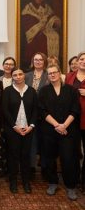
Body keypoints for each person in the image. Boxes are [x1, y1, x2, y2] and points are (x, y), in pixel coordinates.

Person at [39, 64, 80, 200]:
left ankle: (70, 186)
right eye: (49, 73)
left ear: (60, 73)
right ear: (47, 76)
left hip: (68, 130)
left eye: (54, 72)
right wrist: (57, 125)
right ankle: (52, 182)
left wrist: (64, 126)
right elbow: (42, 111)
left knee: (68, 158)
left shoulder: (71, 90)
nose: (52, 75)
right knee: (49, 158)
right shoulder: (43, 91)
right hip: (50, 130)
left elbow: (75, 110)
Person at [3, 67, 37, 194]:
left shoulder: (32, 91)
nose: (18, 76)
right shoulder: (7, 91)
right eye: (15, 75)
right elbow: (5, 110)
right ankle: (13, 182)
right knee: (13, 156)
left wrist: (31, 126)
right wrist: (14, 127)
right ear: (12, 77)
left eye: (20, 74)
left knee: (25, 156)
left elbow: (35, 110)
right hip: (13, 130)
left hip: (28, 129)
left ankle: (26, 182)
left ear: (24, 76)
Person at [21, 0, 61, 70]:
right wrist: (39, 27)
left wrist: (55, 21)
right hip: (34, 31)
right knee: (41, 38)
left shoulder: (46, 7)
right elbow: (26, 20)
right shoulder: (29, 7)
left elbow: (51, 17)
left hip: (46, 29)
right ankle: (34, 64)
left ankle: (50, 63)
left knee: (55, 35)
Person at [25, 52, 49, 177]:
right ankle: (31, 167)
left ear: (44, 62)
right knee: (32, 142)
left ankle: (45, 167)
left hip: (46, 114)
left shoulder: (49, 75)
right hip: (30, 114)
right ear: (32, 61)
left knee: (45, 142)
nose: (38, 61)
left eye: (40, 60)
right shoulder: (26, 76)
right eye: (36, 59)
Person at [65, 52, 85, 191]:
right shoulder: (68, 76)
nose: (84, 61)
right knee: (73, 151)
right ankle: (74, 179)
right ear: (77, 62)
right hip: (71, 119)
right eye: (82, 59)